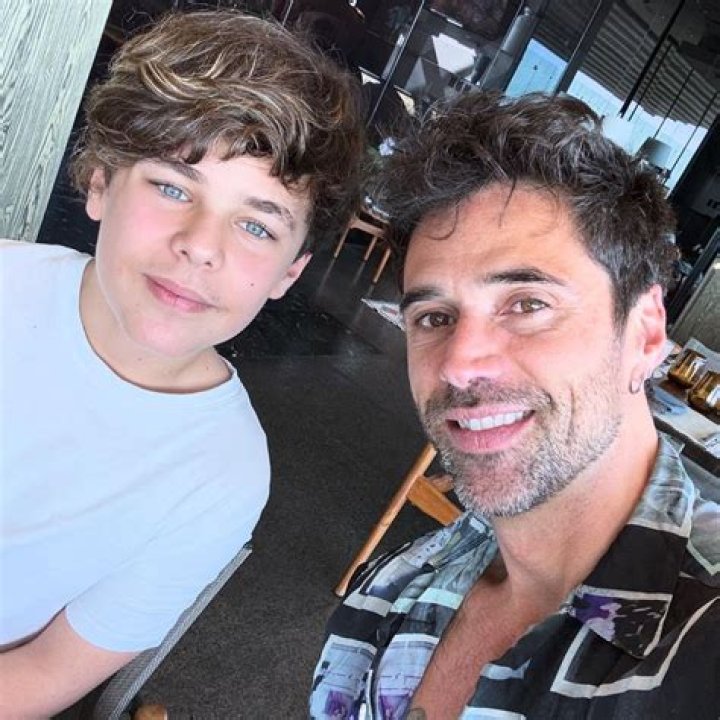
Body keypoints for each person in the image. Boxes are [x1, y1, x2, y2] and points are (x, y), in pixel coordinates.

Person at [0, 10, 364, 717]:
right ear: (100, 181)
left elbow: (47, 672)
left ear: (289, 274)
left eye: (256, 225)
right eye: (172, 187)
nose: (201, 244)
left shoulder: (223, 476)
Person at [310, 93, 720, 719]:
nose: (458, 364)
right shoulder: (397, 587)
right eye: (434, 316)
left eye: (527, 304)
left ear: (644, 333)